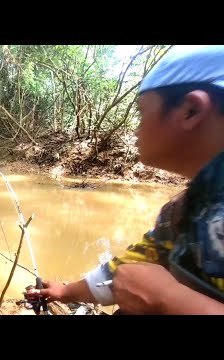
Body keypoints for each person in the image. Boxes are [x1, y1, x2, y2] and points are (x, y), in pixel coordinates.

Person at [26, 45, 224, 315]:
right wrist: (65, 290)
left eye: (142, 112)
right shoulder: (183, 210)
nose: (135, 128)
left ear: (191, 110)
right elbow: (132, 264)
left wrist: (169, 298)